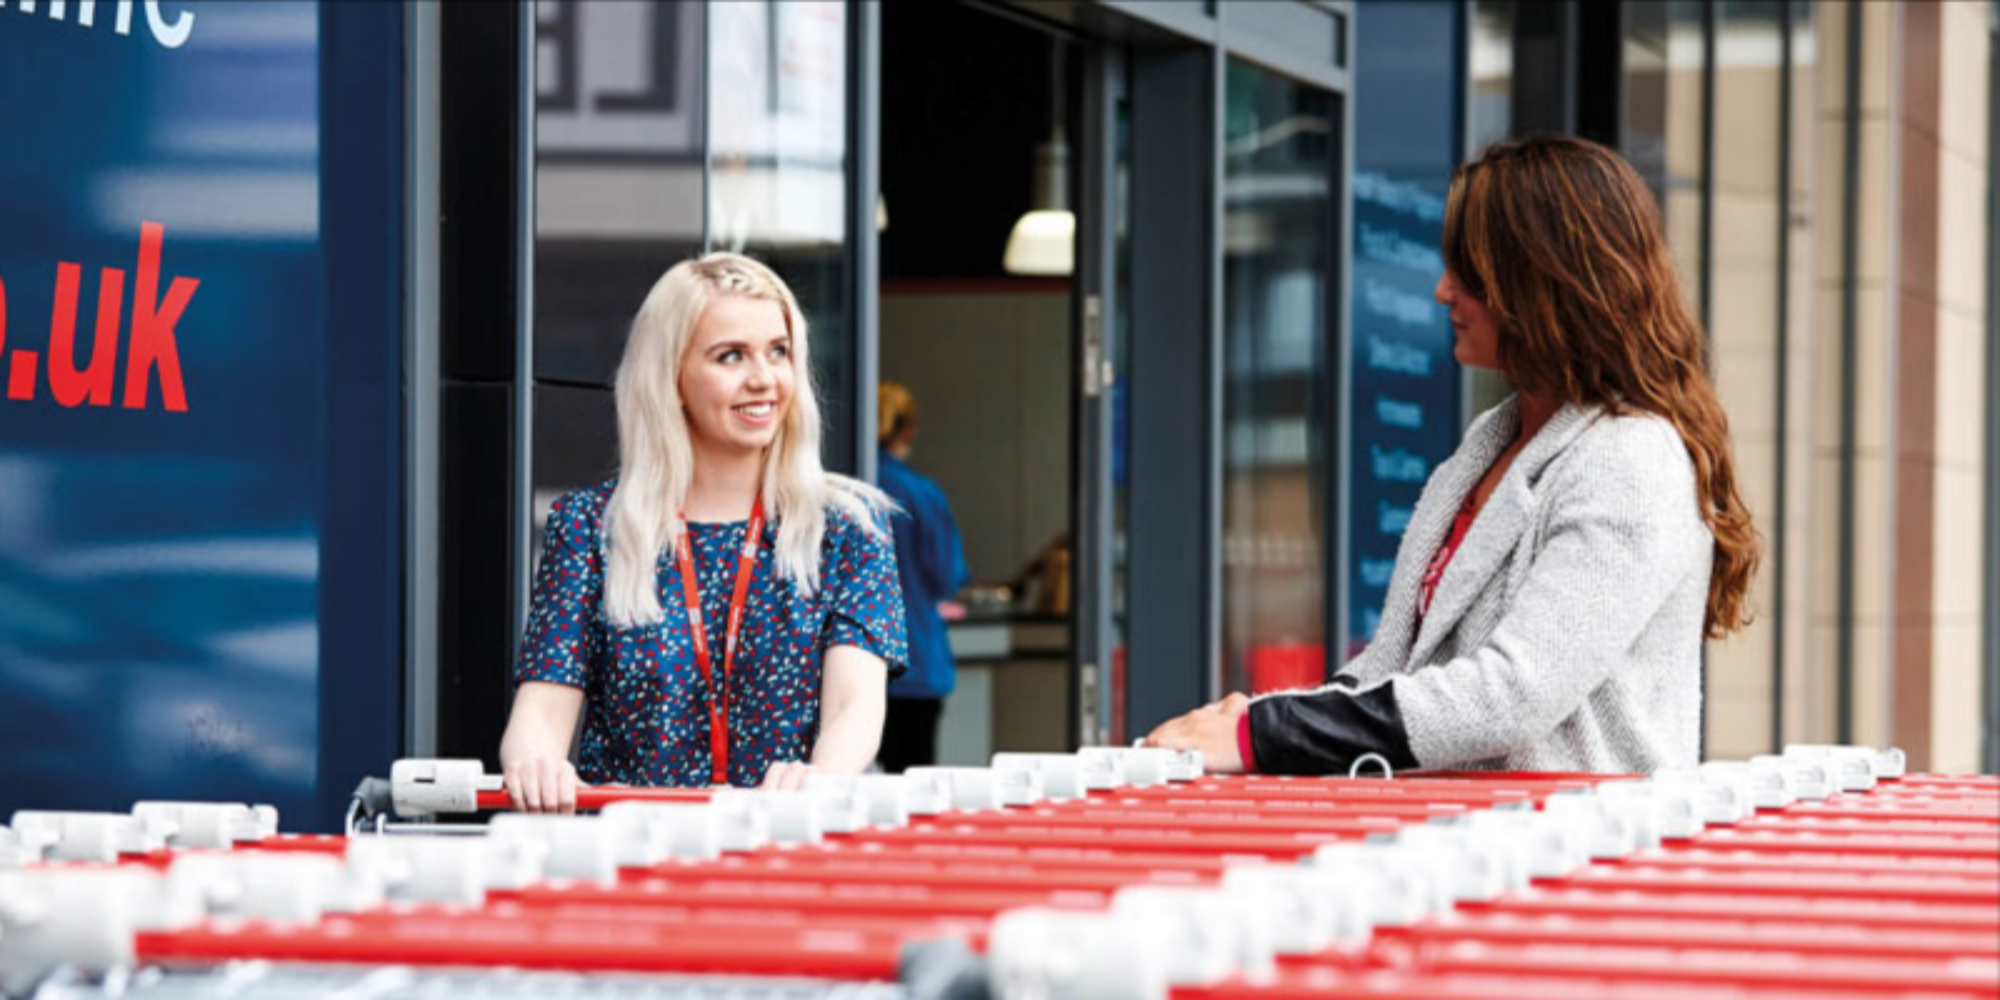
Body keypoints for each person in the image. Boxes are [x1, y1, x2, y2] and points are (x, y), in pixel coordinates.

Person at [1144, 134, 1760, 776]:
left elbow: (1513, 695)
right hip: (1470, 848)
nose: (1442, 292)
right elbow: (1390, 675)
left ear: (1543, 282)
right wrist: (1248, 727)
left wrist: (1262, 735)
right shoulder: (1491, 442)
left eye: (1469, 272)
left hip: (1580, 861)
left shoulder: (1631, 460)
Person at [500, 253, 909, 811]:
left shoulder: (847, 529)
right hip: (629, 860)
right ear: (672, 378)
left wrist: (821, 778)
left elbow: (855, 708)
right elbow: (540, 714)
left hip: (785, 850)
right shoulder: (591, 529)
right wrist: (536, 765)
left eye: (779, 352)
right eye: (731, 356)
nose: (763, 378)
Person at [874, 382, 972, 772]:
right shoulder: (920, 494)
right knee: (909, 787)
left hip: (840, 663)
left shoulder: (839, 486)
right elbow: (946, 577)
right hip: (913, 659)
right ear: (907, 430)